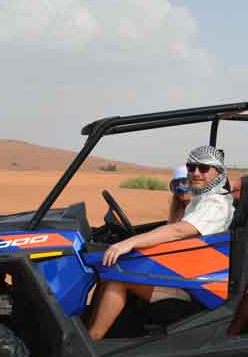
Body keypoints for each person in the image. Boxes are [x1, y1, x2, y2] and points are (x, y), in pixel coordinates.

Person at [88, 145, 234, 340]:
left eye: (204, 168)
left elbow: (179, 230)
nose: (196, 173)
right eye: (191, 167)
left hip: (193, 288)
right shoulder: (200, 200)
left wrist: (129, 243)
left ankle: (93, 340)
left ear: (219, 172)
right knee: (108, 272)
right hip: (183, 275)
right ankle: (93, 332)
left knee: (118, 278)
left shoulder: (216, 203)